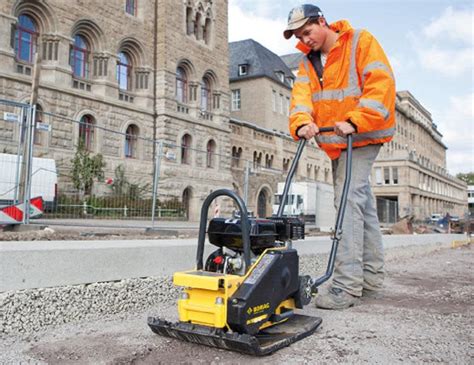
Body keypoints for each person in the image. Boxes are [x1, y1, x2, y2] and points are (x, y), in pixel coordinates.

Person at [283, 4, 396, 309]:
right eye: (298, 35)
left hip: (362, 135)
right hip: (336, 142)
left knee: (346, 202)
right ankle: (371, 278)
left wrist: (357, 119)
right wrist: (302, 121)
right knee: (362, 205)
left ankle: (346, 287)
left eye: (307, 31)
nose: (305, 39)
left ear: (322, 22)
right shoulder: (308, 61)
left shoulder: (359, 41)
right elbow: (301, 97)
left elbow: (380, 84)